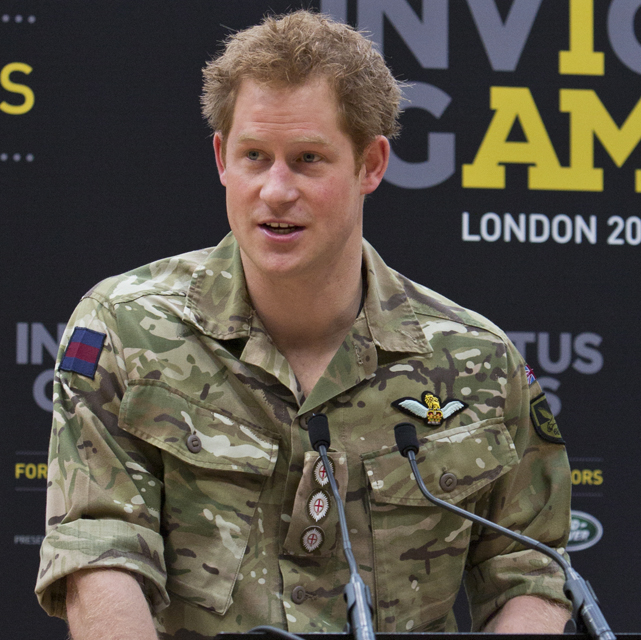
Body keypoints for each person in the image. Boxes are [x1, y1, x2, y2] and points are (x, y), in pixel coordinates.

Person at [35, 10, 572, 639]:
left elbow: (529, 573)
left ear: (371, 164)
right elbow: (100, 554)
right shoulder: (127, 328)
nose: (275, 190)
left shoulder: (478, 363)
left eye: (308, 159)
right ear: (221, 159)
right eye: (255, 157)